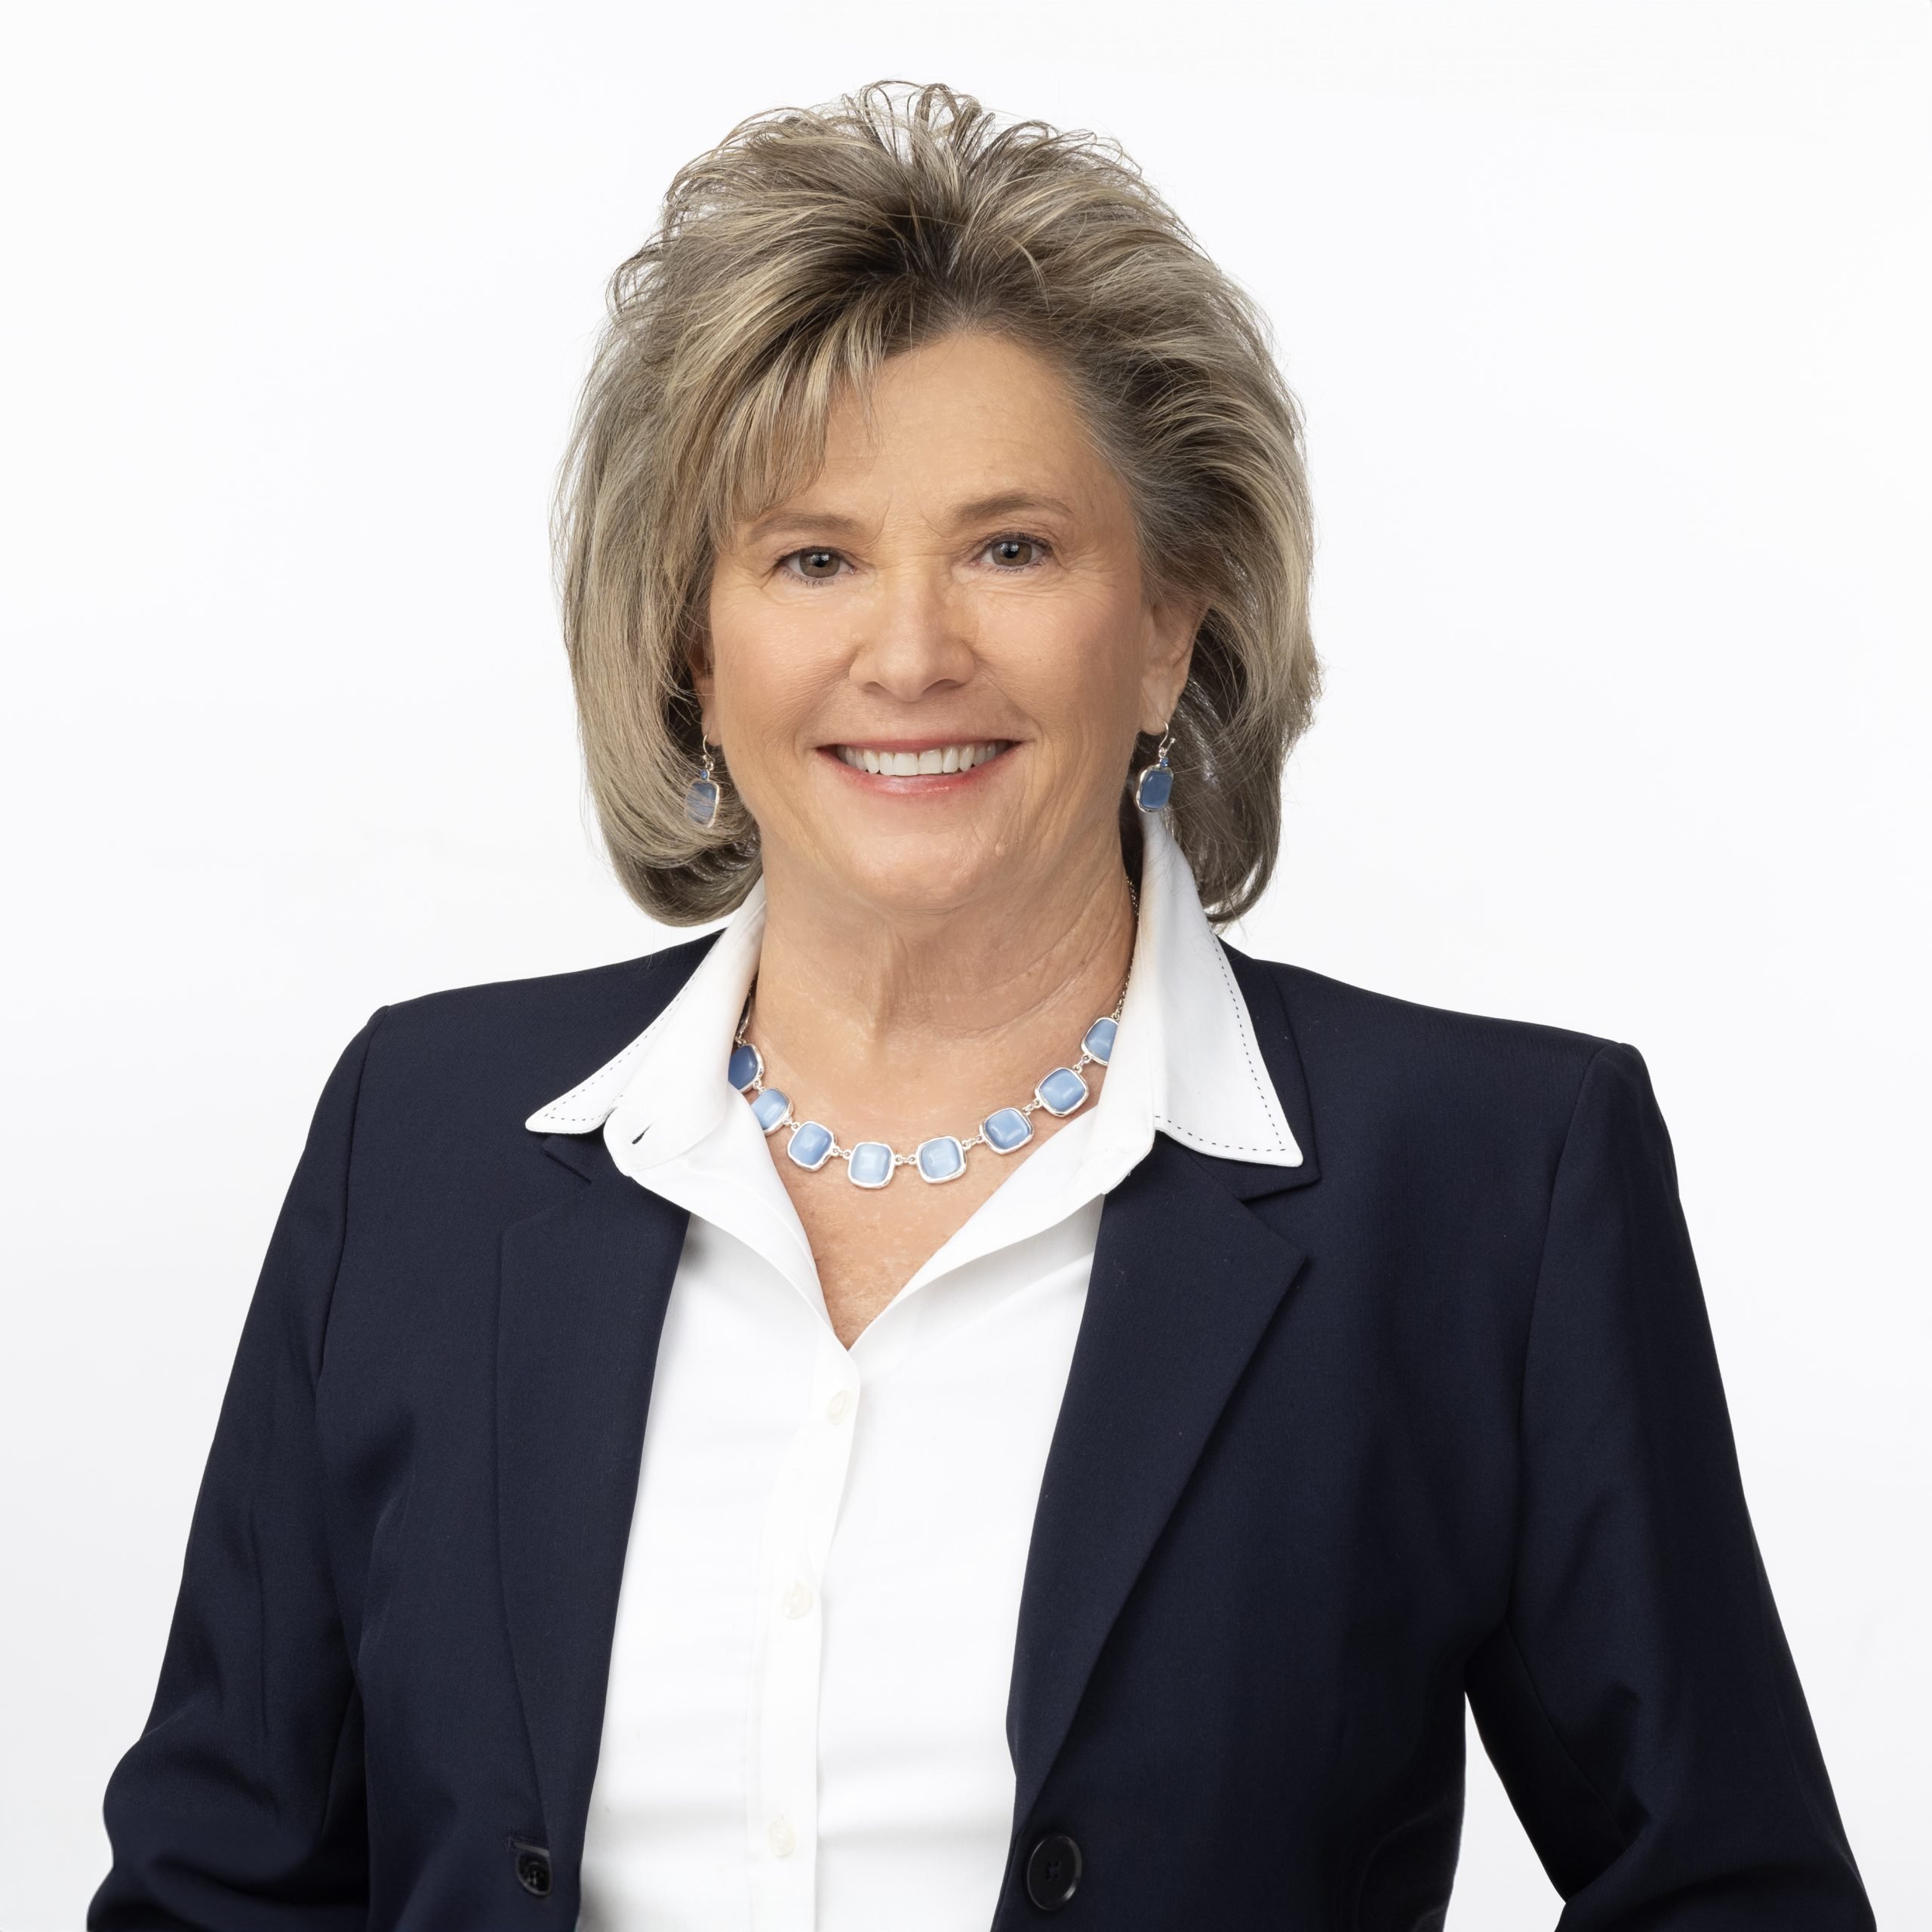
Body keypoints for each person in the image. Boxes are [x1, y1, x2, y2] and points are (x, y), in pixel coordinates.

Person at [91, 82, 1872, 1931]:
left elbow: (1729, 1896)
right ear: (692, 642)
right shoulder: (422, 1135)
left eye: (1010, 547)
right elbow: (218, 1891)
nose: (910, 651)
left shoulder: (1489, 1180)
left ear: (1168, 620)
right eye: (812, 557)